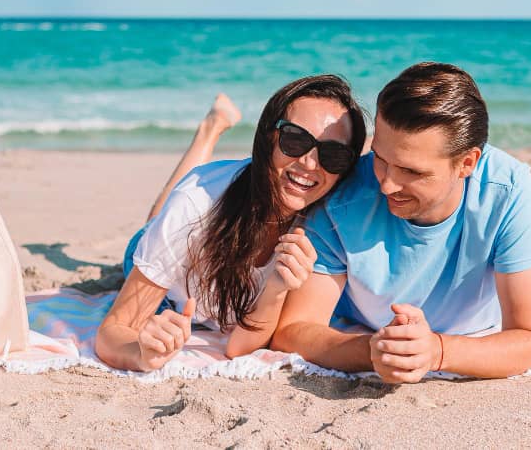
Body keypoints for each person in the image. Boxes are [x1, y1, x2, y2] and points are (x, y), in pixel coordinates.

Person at [272, 62, 531, 383]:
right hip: (365, 329)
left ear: (467, 163)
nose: (386, 185)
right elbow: (293, 330)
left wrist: (436, 351)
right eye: (380, 158)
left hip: (471, 330)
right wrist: (374, 350)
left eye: (411, 172)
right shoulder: (343, 196)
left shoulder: (507, 191)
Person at [96, 76, 367, 372]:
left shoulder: (323, 227)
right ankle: (209, 131)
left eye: (334, 155)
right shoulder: (196, 202)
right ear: (268, 137)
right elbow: (113, 332)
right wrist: (140, 355)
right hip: (170, 278)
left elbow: (240, 347)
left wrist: (276, 288)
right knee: (162, 215)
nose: (310, 163)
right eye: (296, 140)